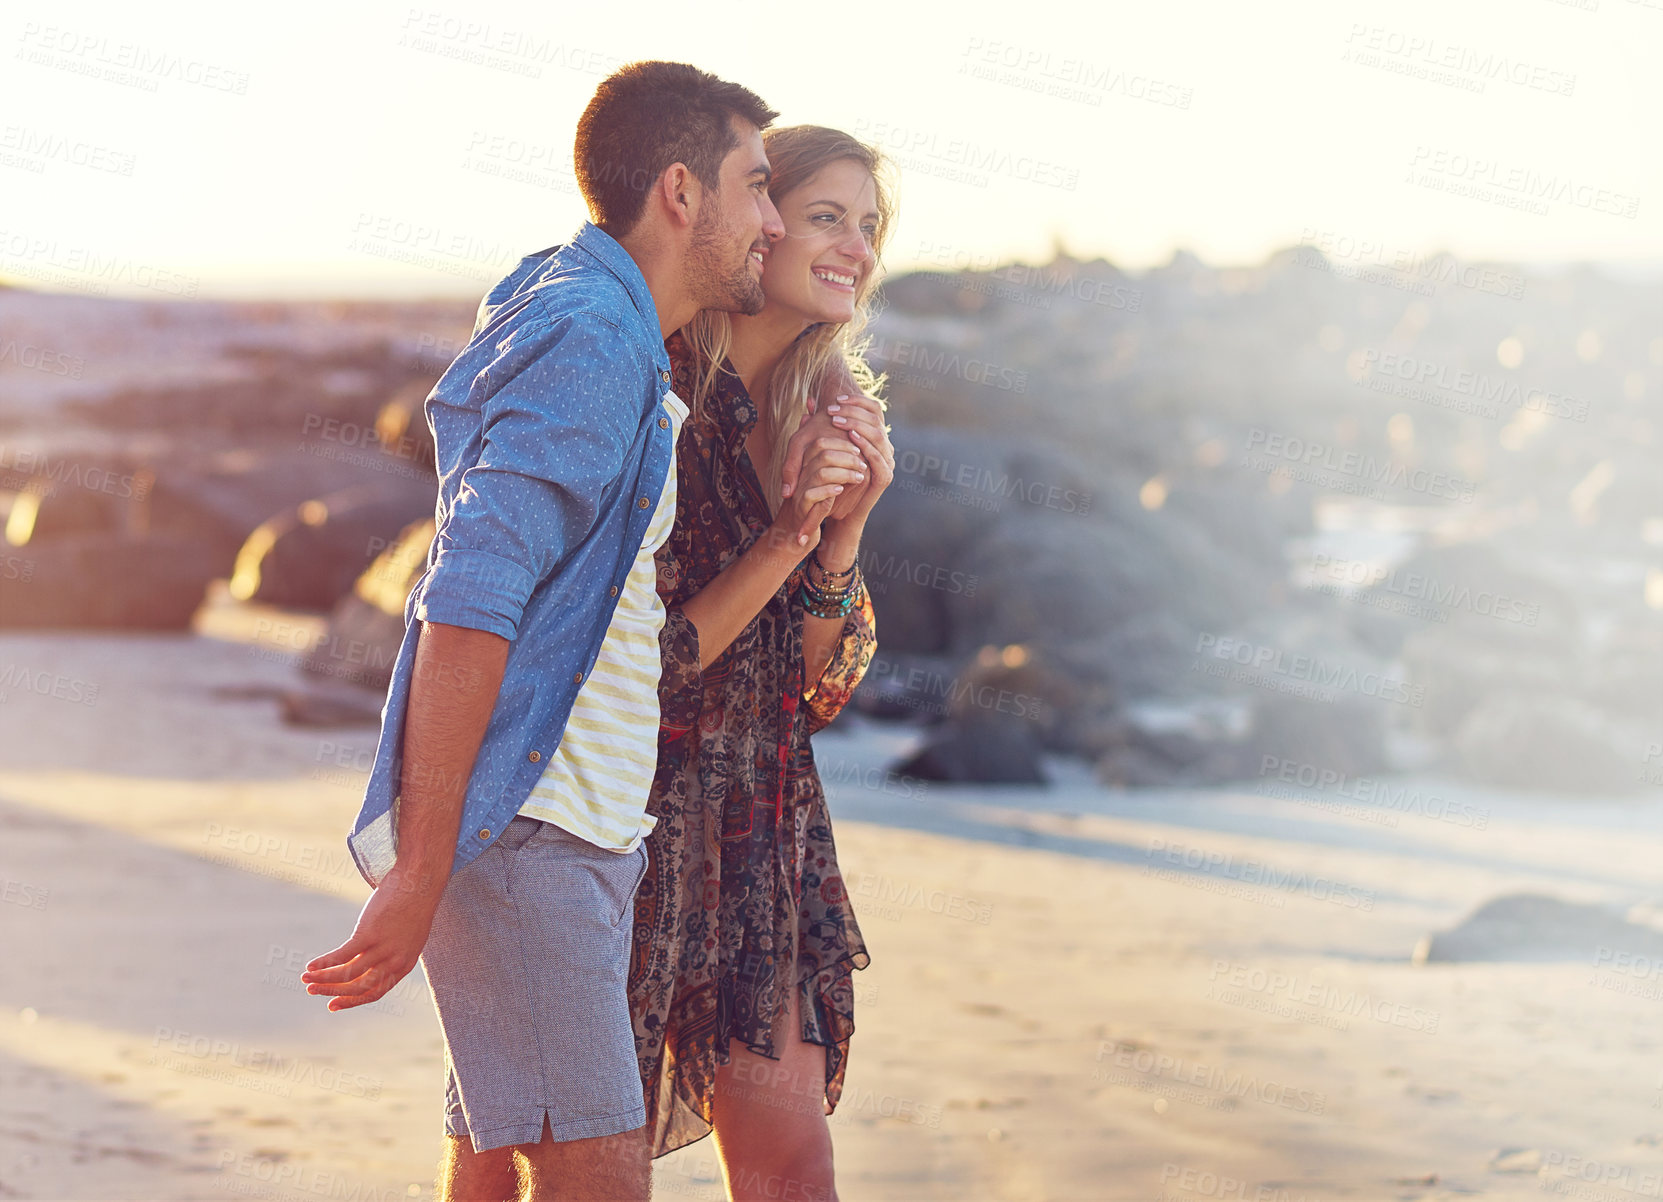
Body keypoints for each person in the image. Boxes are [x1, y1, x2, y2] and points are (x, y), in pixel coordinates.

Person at [300, 61, 811, 1202]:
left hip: (573, 827)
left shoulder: (595, 321)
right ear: (682, 193)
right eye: (757, 188)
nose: (772, 223)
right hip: (532, 827)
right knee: (596, 1174)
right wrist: (423, 863)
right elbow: (467, 598)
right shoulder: (589, 337)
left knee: (497, 1167)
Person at [629, 124, 898, 1201]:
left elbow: (813, 690)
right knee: (533, 1163)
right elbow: (649, 666)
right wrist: (789, 530)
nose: (855, 248)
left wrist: (841, 535)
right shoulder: (656, 391)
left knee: (793, 1166)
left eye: (871, 227)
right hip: (622, 821)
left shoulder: (825, 408)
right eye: (828, 216)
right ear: (760, 217)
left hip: (759, 832)